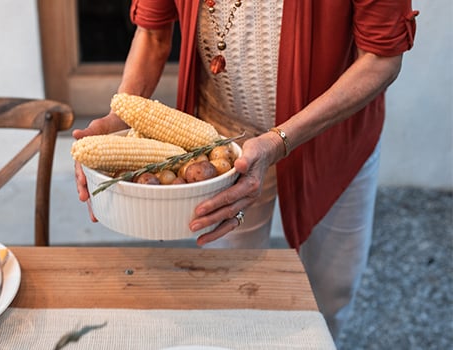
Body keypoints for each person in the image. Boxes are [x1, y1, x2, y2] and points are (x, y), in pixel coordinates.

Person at [73, 0, 418, 341]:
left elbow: (380, 59)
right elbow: (152, 35)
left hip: (333, 137)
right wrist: (124, 114)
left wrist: (278, 140)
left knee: (332, 286)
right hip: (223, 142)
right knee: (226, 281)